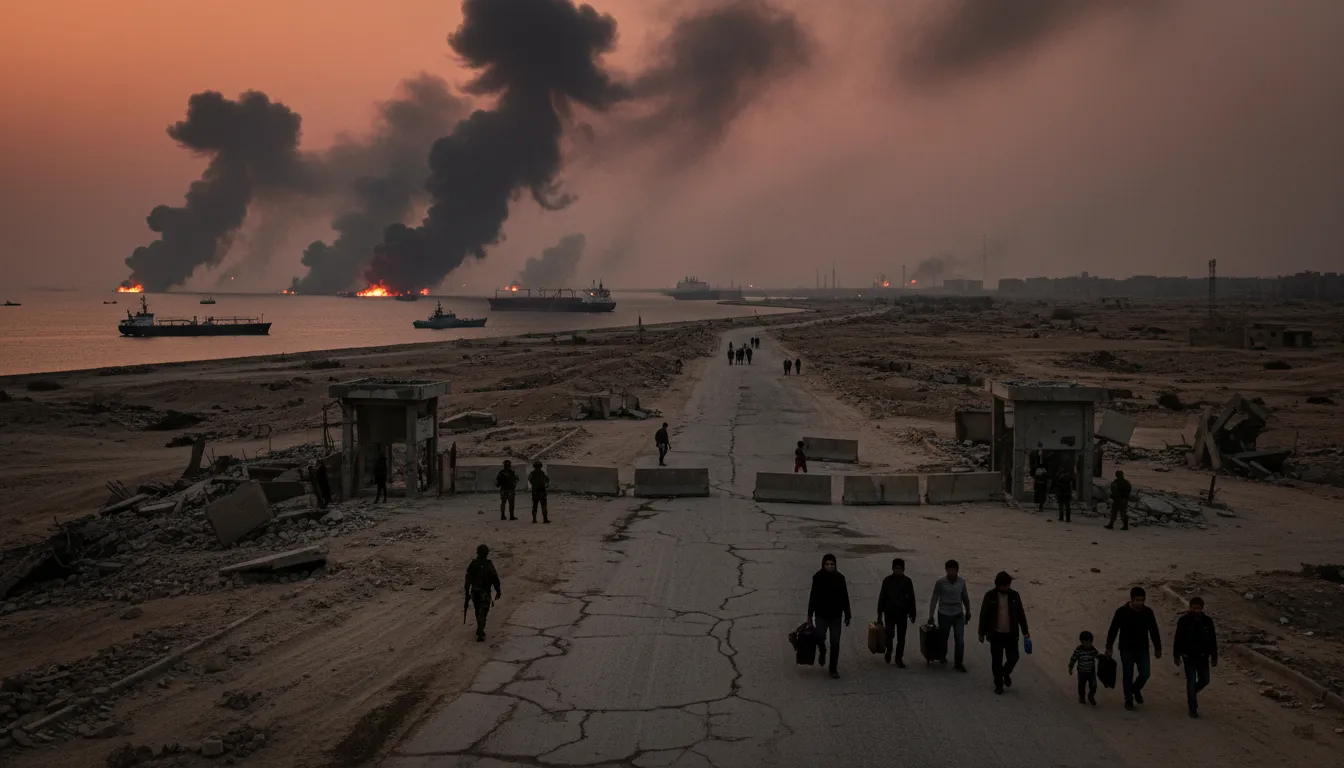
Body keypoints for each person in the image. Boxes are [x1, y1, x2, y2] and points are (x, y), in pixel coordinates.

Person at [1106, 586, 1163, 710]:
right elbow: (1113, 630)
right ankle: (1129, 699)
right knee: (1128, 674)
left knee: (1145, 674)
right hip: (1126, 649)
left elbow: (1154, 631)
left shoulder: (1148, 612)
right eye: (1137, 600)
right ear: (1131, 599)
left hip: (1142, 649)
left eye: (1142, 600)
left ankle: (1135, 689)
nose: (1140, 603)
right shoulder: (1121, 612)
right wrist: (1109, 647)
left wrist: (1158, 648)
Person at [977, 571, 1030, 694]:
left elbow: (1021, 615)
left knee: (1014, 657)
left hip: (1011, 634)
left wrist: (1025, 631)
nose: (1006, 587)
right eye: (1004, 585)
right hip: (996, 634)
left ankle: (1004, 673)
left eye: (1008, 585)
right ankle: (998, 684)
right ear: (998, 584)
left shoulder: (1014, 596)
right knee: (996, 660)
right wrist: (981, 632)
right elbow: (983, 615)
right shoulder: (989, 596)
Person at [807, 553, 852, 678]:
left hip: (836, 616)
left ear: (835, 565)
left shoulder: (840, 578)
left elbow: (845, 597)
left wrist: (847, 614)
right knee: (820, 637)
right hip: (821, 615)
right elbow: (813, 597)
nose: (829, 567)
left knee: (835, 642)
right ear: (823, 565)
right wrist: (809, 615)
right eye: (827, 564)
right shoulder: (817, 577)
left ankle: (833, 668)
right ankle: (822, 650)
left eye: (832, 564)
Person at [1173, 596, 1219, 718]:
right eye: (1193, 608)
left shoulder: (1207, 621)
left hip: (1203, 656)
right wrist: (1176, 655)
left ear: (1202, 608)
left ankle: (1192, 693)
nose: (1196, 611)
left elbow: (1212, 640)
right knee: (1191, 681)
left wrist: (1214, 656)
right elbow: (1178, 639)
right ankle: (1192, 707)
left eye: (1198, 608)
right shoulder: (1183, 620)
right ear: (1190, 607)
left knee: (1205, 679)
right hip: (1188, 657)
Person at [929, 559, 972, 672]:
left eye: (953, 570)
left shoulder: (961, 582)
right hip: (944, 613)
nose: (951, 573)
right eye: (949, 570)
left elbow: (965, 598)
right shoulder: (940, 582)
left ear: (957, 571)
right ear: (946, 570)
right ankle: (942, 655)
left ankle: (958, 663)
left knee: (960, 639)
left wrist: (968, 612)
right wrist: (931, 615)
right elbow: (934, 599)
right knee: (943, 637)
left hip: (958, 613)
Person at [876, 558, 917, 667]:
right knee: (889, 636)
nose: (898, 570)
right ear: (893, 569)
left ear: (903, 569)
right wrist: (879, 614)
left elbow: (911, 598)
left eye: (900, 569)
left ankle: (899, 658)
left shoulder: (907, 582)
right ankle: (889, 651)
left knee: (901, 638)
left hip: (902, 614)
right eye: (896, 568)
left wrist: (913, 613)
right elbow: (882, 598)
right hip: (889, 614)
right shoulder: (887, 581)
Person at [464, 544, 502, 642]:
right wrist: (498, 590)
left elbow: (468, 579)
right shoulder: (488, 565)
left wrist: (467, 593)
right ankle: (481, 631)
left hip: (475, 593)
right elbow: (495, 578)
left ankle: (480, 628)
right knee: (483, 613)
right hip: (484, 593)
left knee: (478, 611)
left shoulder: (473, 563)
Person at [1068, 631, 1101, 706]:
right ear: (1082, 642)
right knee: (1081, 686)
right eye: (1085, 642)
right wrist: (1070, 667)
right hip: (1081, 672)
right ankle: (1081, 697)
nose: (1088, 644)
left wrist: (1104, 660)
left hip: (1091, 672)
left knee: (1093, 685)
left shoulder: (1093, 650)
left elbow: (1098, 657)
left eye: (1089, 642)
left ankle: (1091, 696)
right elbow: (1073, 658)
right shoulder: (1079, 650)